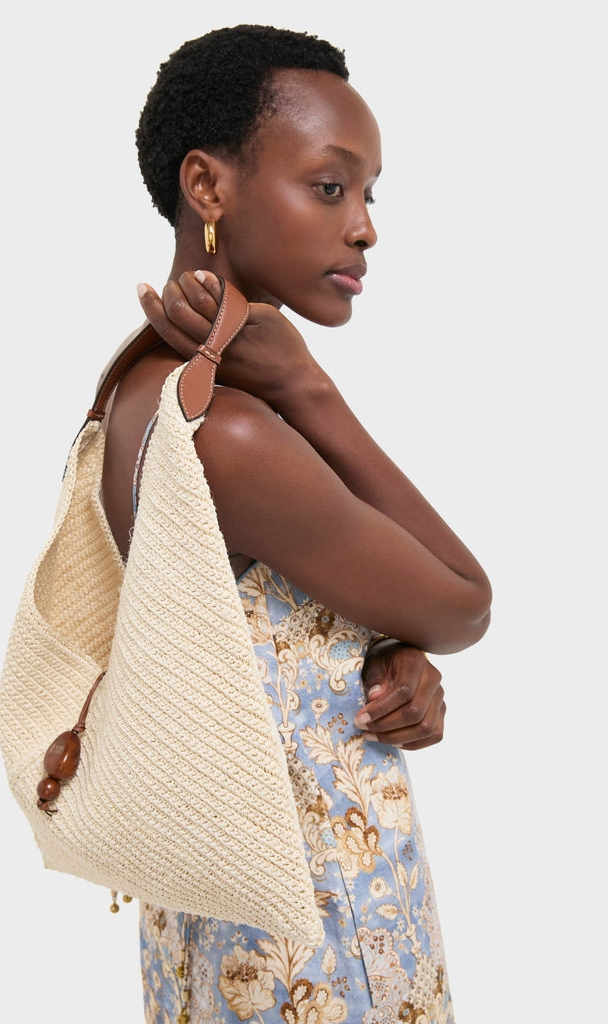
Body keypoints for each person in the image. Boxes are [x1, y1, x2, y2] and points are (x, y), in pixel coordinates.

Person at [100, 24, 491, 1024]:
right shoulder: (229, 431)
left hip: (216, 937)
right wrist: (312, 393)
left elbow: (256, 635)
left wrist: (375, 649)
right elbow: (461, 599)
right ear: (208, 186)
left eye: (369, 195)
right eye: (329, 187)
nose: (363, 226)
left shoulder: (136, 389)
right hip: (320, 947)